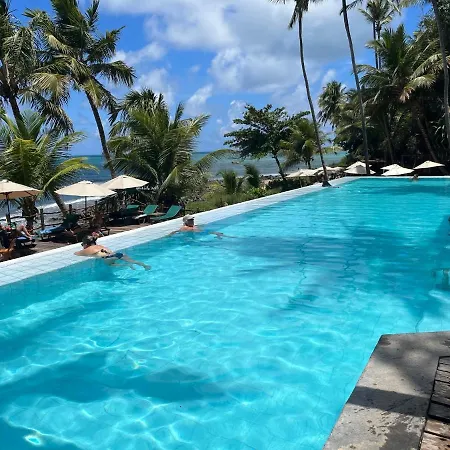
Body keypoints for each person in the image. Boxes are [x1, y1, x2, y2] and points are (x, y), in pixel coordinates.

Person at [75, 234, 151, 270]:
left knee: (110, 264)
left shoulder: (89, 249)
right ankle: (145, 266)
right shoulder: (99, 246)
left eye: (83, 244)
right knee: (133, 261)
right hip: (118, 254)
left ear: (85, 244)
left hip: (108, 258)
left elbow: (77, 254)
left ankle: (126, 265)